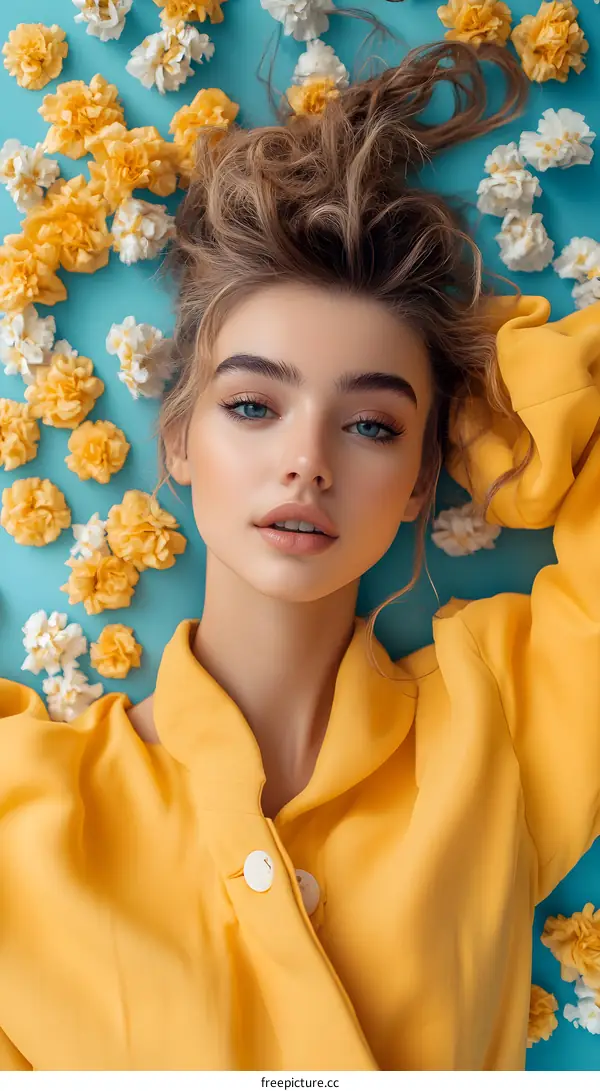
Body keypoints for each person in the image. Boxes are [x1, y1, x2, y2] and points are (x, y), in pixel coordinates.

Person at [0, 37, 598, 1073]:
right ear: (180, 439)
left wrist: (507, 396)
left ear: (424, 473)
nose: (307, 463)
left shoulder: (500, 726)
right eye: (251, 405)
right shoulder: (24, 812)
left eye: (371, 424)